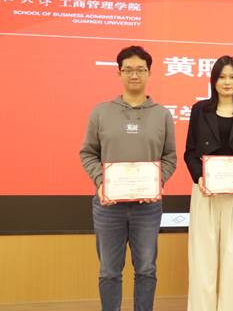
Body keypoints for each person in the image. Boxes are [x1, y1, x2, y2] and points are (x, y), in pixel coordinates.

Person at [79, 45, 177, 311]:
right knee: (109, 272)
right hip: (108, 207)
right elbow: (88, 153)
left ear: (149, 73)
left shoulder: (162, 114)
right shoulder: (101, 112)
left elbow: (170, 157)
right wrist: (101, 182)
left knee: (146, 269)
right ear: (119, 73)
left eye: (140, 70)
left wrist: (157, 182)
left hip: (148, 208)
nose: (134, 75)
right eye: (128, 70)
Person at [184, 55, 233, 311]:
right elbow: (190, 152)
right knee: (202, 260)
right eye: (222, 77)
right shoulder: (199, 110)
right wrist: (200, 178)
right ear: (213, 80)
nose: (227, 82)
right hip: (204, 193)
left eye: (232, 77)